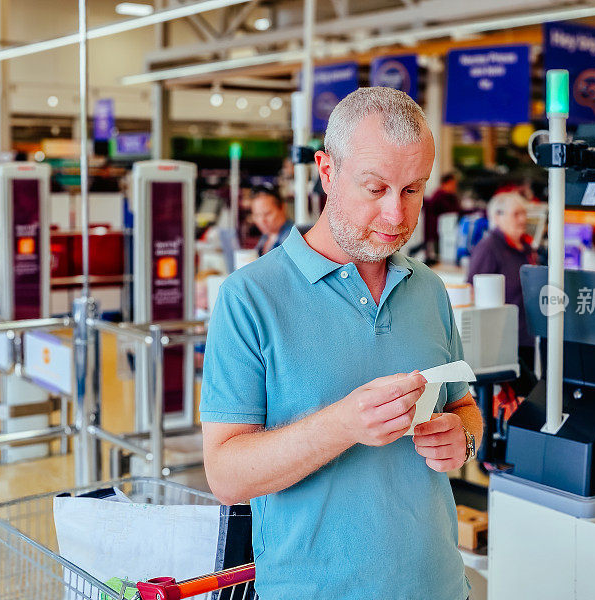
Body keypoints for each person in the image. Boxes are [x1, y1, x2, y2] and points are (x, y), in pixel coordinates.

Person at [201, 87, 483, 600]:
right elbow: (225, 475)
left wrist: (461, 437)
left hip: (439, 585)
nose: (397, 216)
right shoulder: (250, 299)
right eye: (375, 189)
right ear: (327, 172)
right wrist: (344, 424)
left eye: (413, 190)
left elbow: (463, 404)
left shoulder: (429, 289)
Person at [466, 192, 536, 391]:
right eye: (516, 214)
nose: (523, 219)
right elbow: (471, 291)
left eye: (524, 213)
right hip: (502, 341)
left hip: (527, 336)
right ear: (497, 217)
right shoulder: (489, 247)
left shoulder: (525, 247)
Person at [420, 172, 460, 264]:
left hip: (448, 230)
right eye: (453, 184)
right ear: (446, 183)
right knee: (441, 255)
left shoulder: (451, 197)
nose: (454, 187)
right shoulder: (438, 196)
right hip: (438, 231)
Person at [250, 184, 293, 256]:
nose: (262, 221)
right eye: (257, 215)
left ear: (282, 208)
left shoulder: (292, 238)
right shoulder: (264, 238)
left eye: (267, 214)